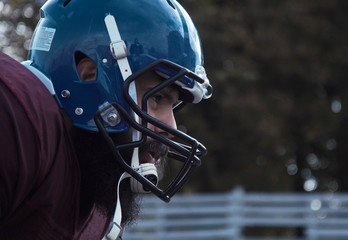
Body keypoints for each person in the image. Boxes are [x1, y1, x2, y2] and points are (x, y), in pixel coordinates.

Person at [0, 0, 212, 239]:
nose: (171, 127)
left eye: (173, 106)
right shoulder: (15, 114)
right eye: (158, 98)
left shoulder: (95, 200)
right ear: (91, 77)